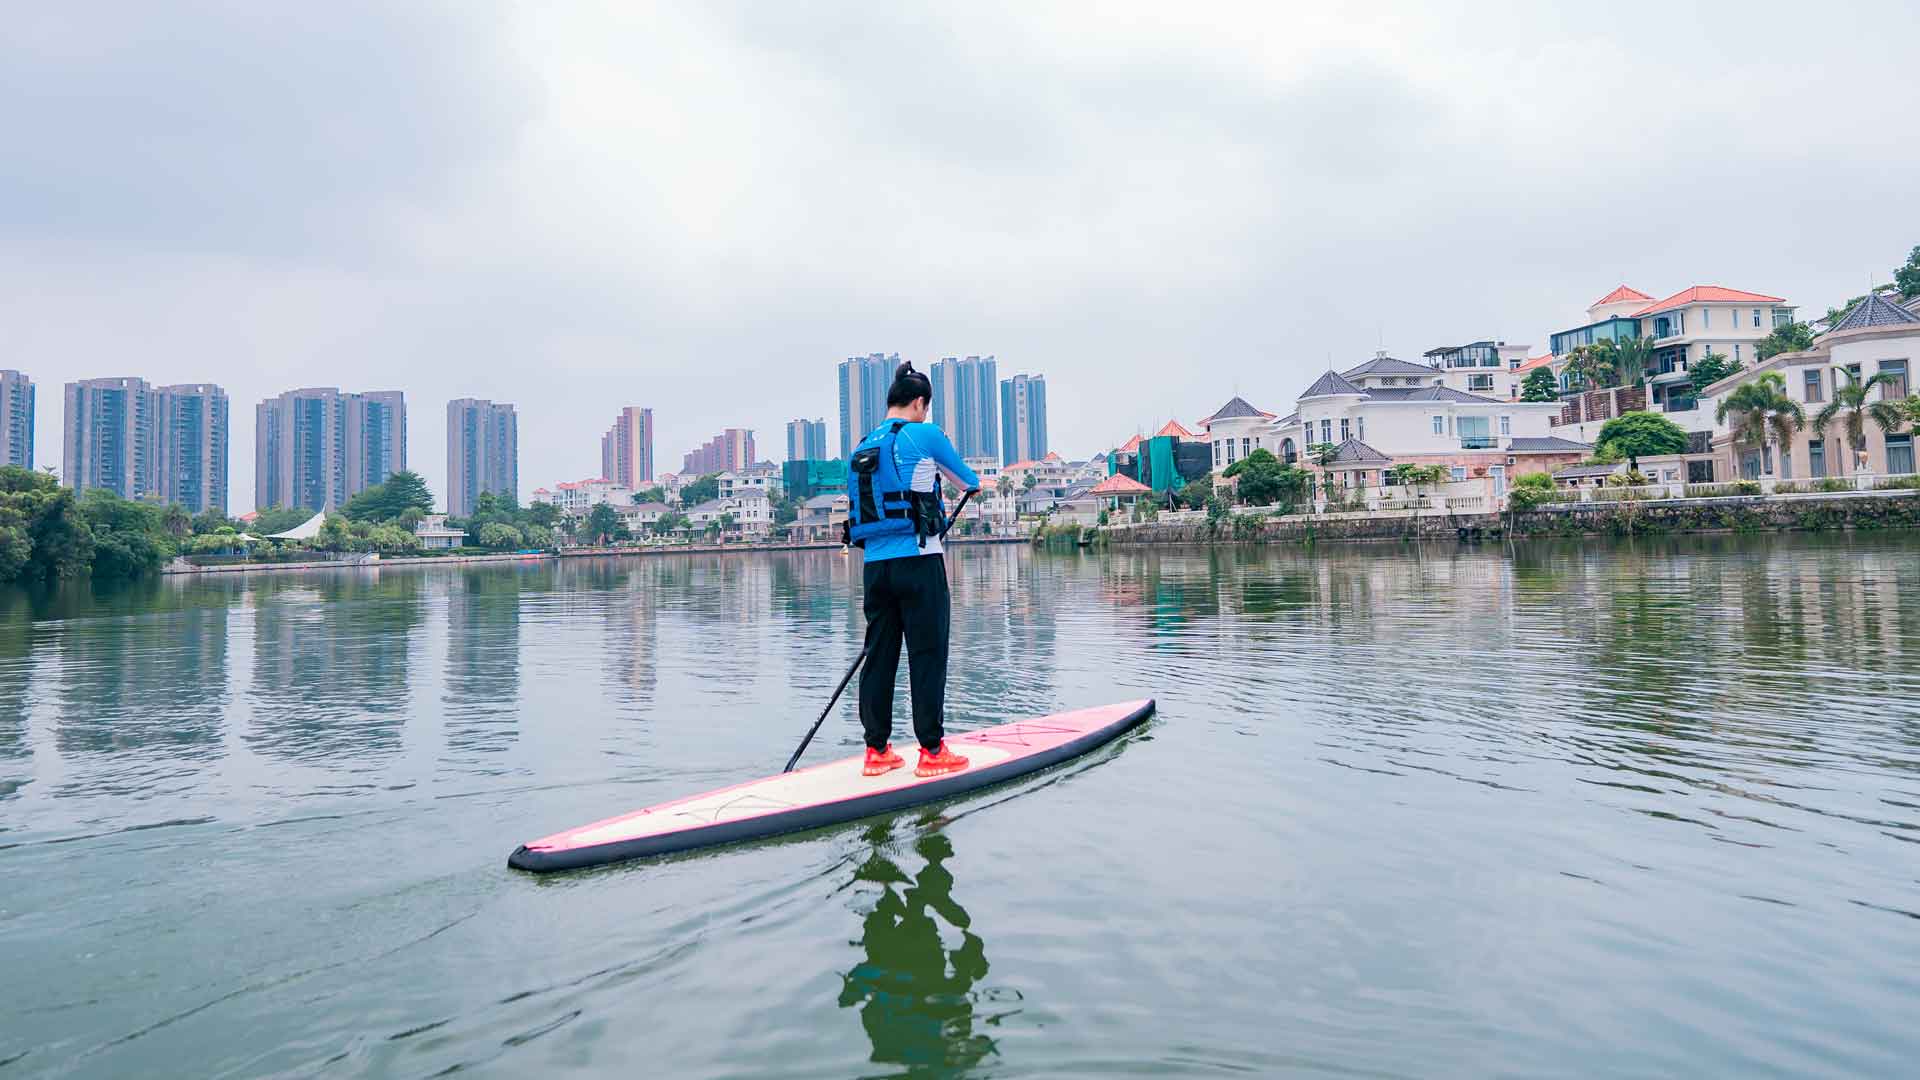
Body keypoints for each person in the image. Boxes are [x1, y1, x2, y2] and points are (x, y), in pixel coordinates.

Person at [844, 362, 981, 778]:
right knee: (927, 653)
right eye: (926, 408)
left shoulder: (863, 445)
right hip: (920, 562)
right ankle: (932, 751)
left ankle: (877, 751)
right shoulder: (926, 434)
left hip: (874, 568)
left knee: (879, 655)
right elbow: (968, 481)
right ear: (920, 403)